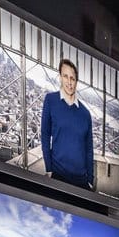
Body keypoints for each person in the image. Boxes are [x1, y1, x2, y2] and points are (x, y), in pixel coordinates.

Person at [40, 58, 95, 190]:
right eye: (65, 76)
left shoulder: (85, 114)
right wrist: (48, 168)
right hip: (58, 175)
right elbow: (45, 134)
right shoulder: (50, 100)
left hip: (81, 180)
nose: (69, 82)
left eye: (72, 78)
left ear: (76, 82)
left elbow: (89, 149)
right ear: (60, 77)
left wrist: (90, 180)